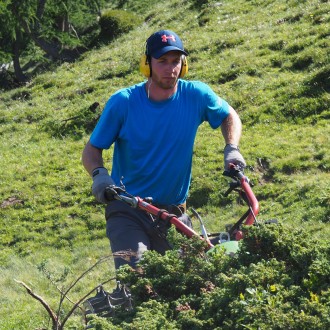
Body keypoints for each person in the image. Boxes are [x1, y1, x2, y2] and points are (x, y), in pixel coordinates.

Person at [82, 29, 246, 270]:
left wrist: (232, 148)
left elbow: (229, 114)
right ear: (147, 64)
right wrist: (99, 176)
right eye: (162, 62)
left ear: (184, 64)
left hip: (174, 214)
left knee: (191, 278)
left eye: (176, 61)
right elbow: (92, 150)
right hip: (128, 209)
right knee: (136, 275)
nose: (170, 69)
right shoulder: (124, 102)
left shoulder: (196, 95)